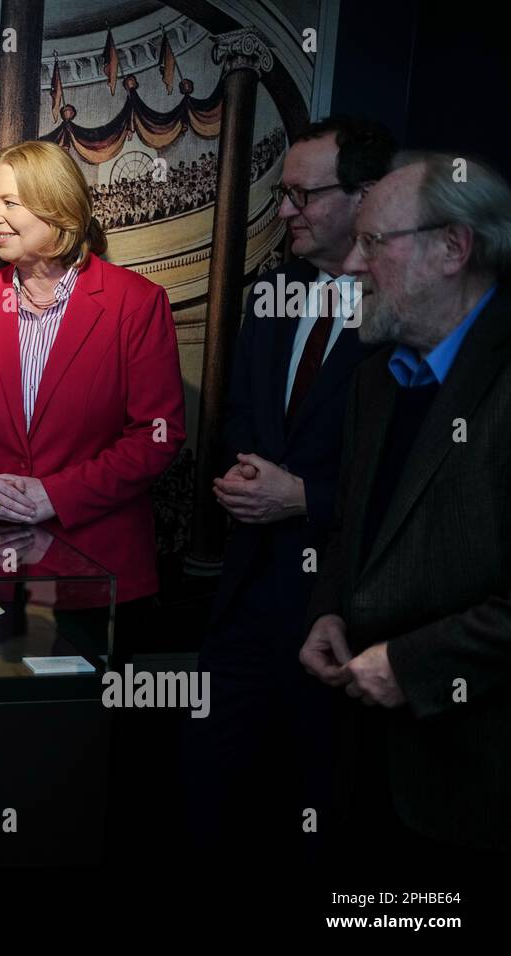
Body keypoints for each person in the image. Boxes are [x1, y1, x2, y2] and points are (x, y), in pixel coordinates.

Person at [184, 117, 395, 860]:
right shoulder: (272, 291)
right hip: (244, 602)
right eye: (281, 194)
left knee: (315, 817)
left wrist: (305, 497)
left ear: (367, 196)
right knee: (210, 802)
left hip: (342, 615)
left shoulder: (411, 315)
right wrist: (248, 475)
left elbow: (414, 484)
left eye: (303, 194)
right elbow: (243, 410)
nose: (283, 211)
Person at [299, 151, 511, 860]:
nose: (352, 268)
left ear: (453, 247)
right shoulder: (376, 381)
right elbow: (355, 527)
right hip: (360, 760)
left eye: (373, 244)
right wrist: (329, 606)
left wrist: (414, 666)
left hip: (473, 778)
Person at [0, 139, 185, 659]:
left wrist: (54, 497)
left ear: (58, 207)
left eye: (9, 203)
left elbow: (157, 436)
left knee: (81, 735)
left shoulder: (136, 304)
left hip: (95, 573)